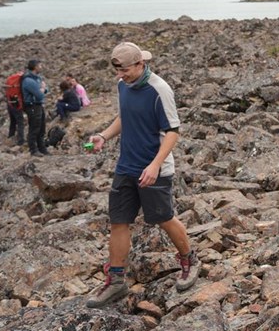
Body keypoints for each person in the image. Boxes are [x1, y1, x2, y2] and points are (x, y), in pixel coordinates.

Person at [85, 42, 200, 308]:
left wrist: (155, 165)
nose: (120, 75)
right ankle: (116, 281)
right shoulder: (122, 85)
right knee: (118, 221)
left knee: (163, 217)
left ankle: (190, 260)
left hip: (154, 168)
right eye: (117, 70)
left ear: (140, 64)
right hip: (126, 165)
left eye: (125, 70)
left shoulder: (159, 90)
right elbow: (124, 117)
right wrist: (103, 136)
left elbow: (173, 131)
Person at [21, 59, 49, 156]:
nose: (41, 67)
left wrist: (43, 89)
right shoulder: (28, 80)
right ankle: (33, 150)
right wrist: (42, 88)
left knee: (41, 128)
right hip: (32, 106)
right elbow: (40, 95)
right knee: (34, 128)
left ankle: (42, 149)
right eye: (40, 65)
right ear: (35, 67)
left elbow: (45, 90)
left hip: (38, 105)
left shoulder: (37, 78)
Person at [6, 71, 25, 147]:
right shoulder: (22, 80)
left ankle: (10, 136)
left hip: (10, 103)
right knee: (20, 122)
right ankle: (21, 141)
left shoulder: (12, 79)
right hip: (17, 104)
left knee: (13, 121)